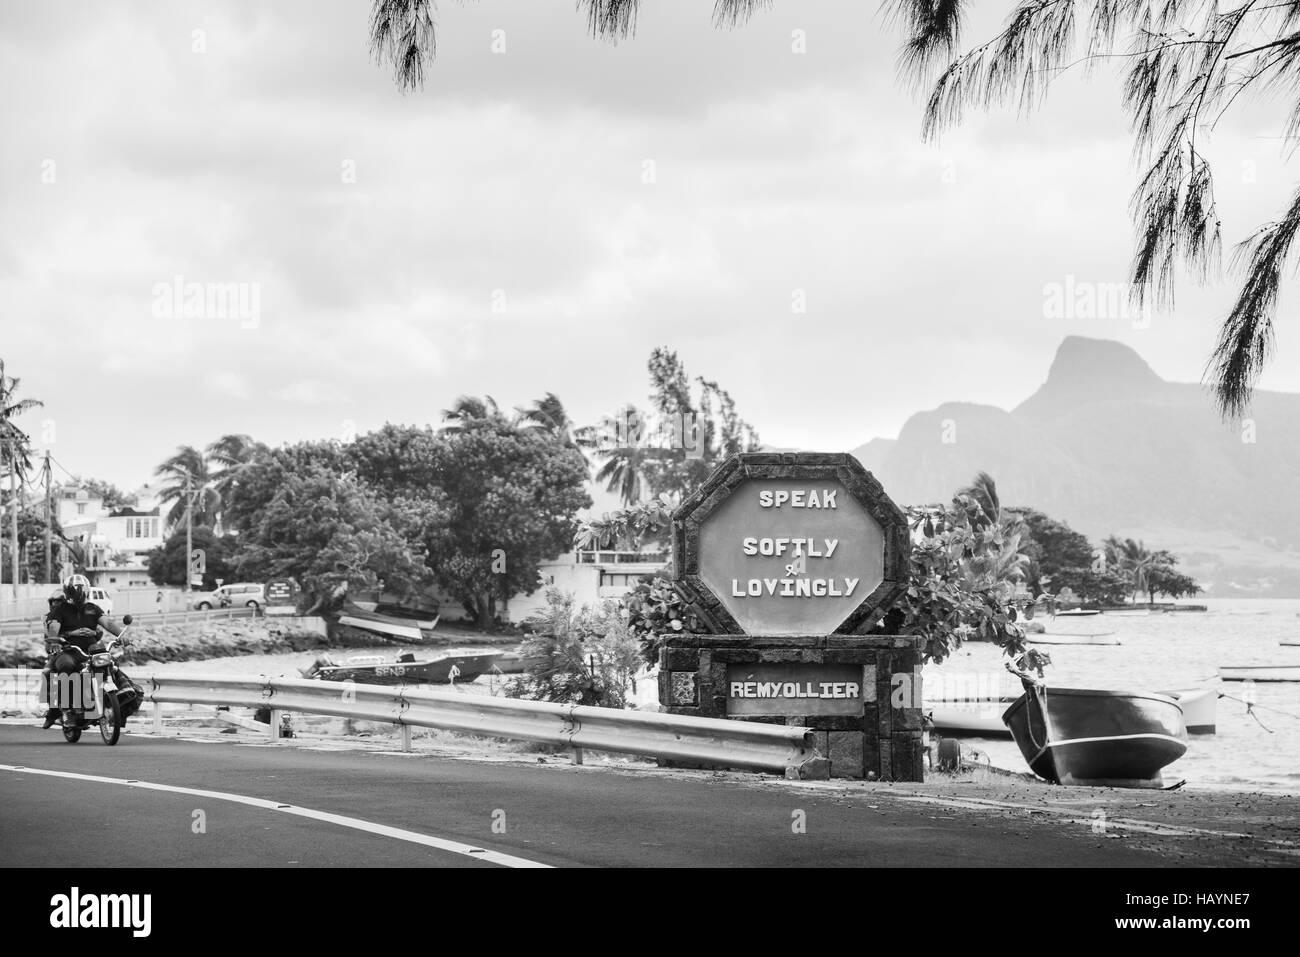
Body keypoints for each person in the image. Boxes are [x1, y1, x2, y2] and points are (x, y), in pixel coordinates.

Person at [39, 574, 128, 729]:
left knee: (111, 663)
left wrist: (122, 636)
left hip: (92, 650)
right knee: (66, 665)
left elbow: (108, 622)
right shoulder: (60, 610)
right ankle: (66, 710)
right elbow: (53, 627)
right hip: (67, 650)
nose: (79, 594)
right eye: (75, 591)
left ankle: (117, 699)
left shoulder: (92, 608)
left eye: (81, 590)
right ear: (68, 592)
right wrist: (57, 640)